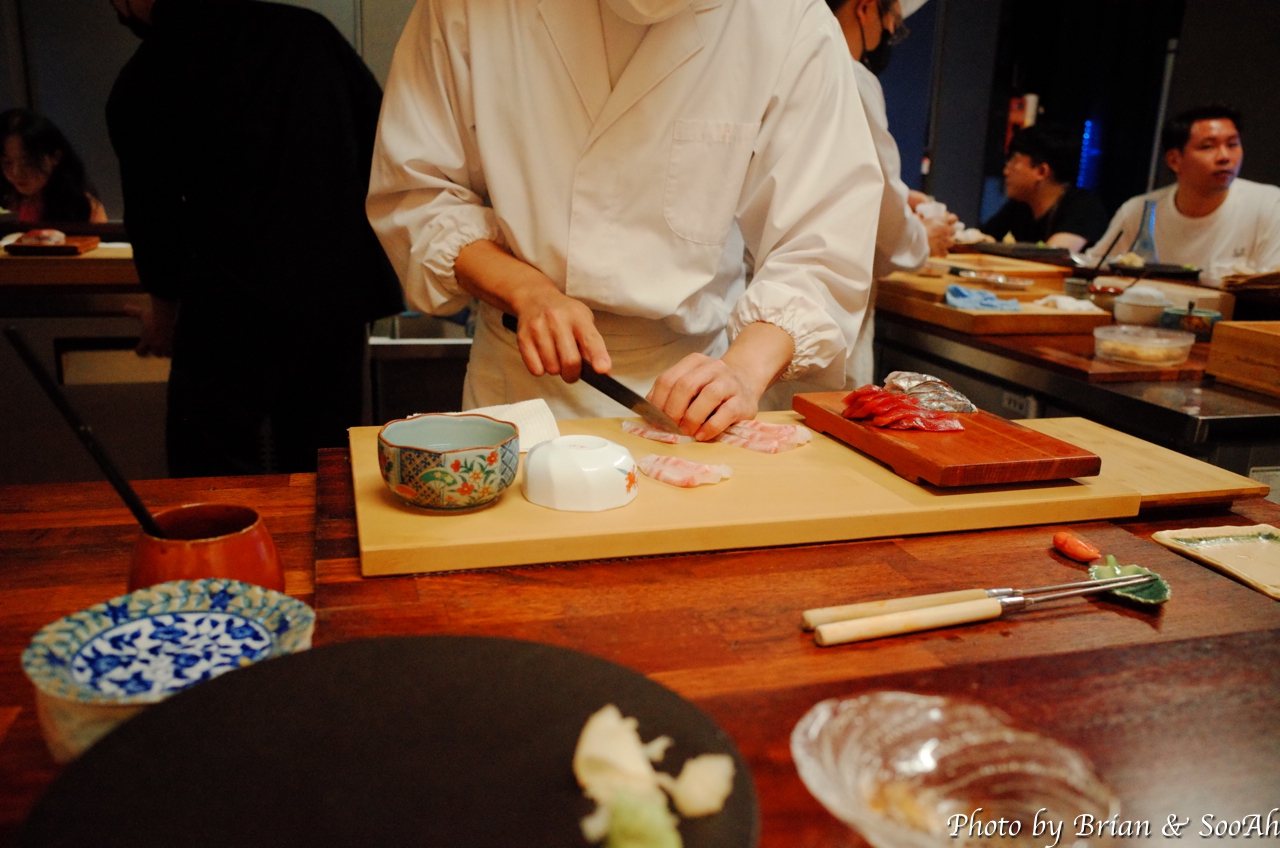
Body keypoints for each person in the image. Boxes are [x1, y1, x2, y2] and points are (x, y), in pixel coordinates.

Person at [367, 0, 883, 440]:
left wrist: (743, 372)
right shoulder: (472, 9)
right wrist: (527, 291)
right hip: (520, 385)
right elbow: (418, 194)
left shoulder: (786, 18)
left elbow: (824, 235)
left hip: (697, 395)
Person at [107, 0, 404, 476]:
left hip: (228, 302)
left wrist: (164, 309)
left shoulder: (146, 75)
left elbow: (152, 214)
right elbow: (383, 138)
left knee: (209, 468)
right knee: (324, 465)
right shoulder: (307, 33)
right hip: (331, 295)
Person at [823, 0, 952, 388]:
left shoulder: (788, 63)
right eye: (891, 21)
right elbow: (881, 204)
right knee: (821, 411)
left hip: (762, 287)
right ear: (864, 8)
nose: (890, 33)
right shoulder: (850, 75)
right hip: (825, 297)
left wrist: (902, 197)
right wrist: (922, 238)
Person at [1088, 105, 1280, 279]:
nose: (1224, 157)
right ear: (1174, 160)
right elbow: (1095, 268)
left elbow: (1270, 287)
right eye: (1207, 146)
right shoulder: (1138, 210)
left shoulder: (1269, 205)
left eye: (1232, 144)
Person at [980, 123, 1108, 252]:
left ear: (1041, 171)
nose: (1005, 171)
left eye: (1014, 162)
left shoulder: (1084, 206)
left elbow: (1054, 255)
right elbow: (981, 239)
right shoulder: (1020, 205)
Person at [1, 109, 108, 224]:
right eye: (7, 163)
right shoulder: (6, 201)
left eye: (27, 163)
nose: (16, 173)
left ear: (55, 157)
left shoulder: (81, 206)